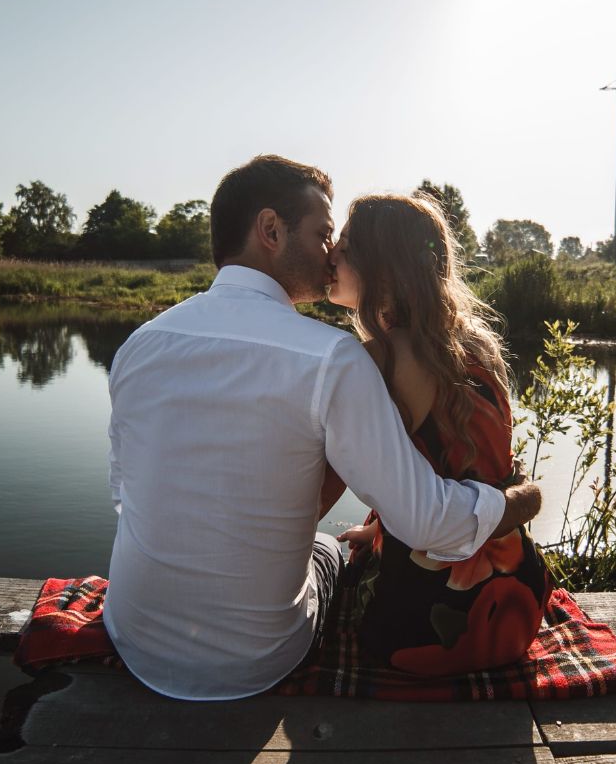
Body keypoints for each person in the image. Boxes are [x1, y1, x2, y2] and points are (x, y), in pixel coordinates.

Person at [102, 155, 542, 701]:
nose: (330, 252)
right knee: (325, 549)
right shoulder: (332, 358)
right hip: (257, 657)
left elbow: (126, 497)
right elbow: (429, 521)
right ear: (271, 231)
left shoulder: (139, 345)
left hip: (134, 637)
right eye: (323, 233)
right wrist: (520, 500)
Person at [327, 193, 551, 676]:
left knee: (344, 581)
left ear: (382, 267)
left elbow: (364, 472)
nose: (331, 255)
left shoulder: (381, 358)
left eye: (344, 246)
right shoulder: (478, 343)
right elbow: (450, 468)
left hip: (426, 617)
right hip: (517, 598)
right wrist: (383, 527)